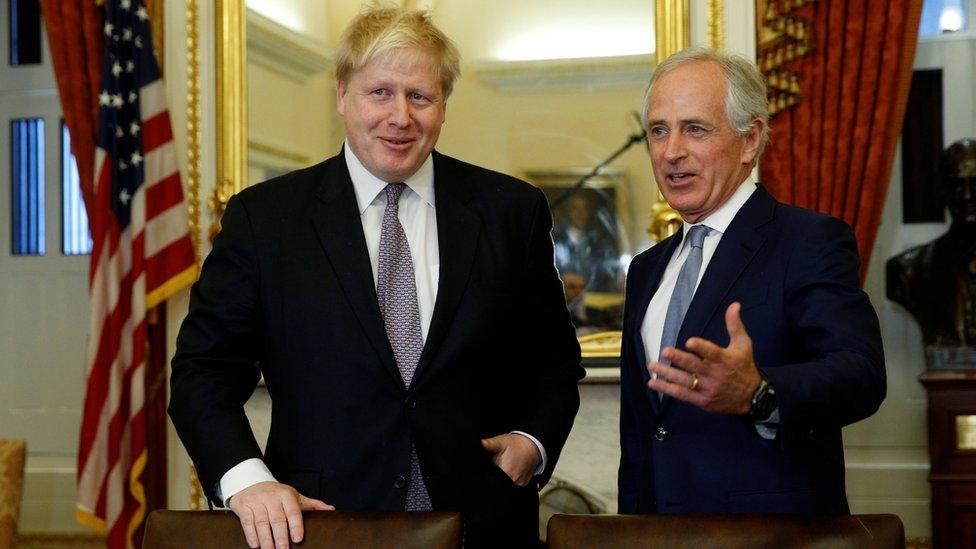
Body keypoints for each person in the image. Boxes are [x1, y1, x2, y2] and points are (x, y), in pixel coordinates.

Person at [169, 7, 583, 549]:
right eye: (379, 93)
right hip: (317, 523)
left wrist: (532, 442)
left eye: (420, 96)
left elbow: (553, 362)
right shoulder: (266, 219)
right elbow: (202, 375)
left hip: (482, 520)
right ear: (343, 96)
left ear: (442, 107)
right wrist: (247, 480)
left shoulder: (511, 211)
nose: (400, 117)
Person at [618, 47, 885, 515]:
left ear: (749, 140)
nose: (671, 151)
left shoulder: (807, 240)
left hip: (769, 533)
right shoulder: (647, 268)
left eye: (695, 129)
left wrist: (759, 392)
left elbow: (861, 375)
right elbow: (644, 431)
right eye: (658, 131)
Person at [887, 138, 976, 363]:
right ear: (943, 190)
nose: (966, 196)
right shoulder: (908, 269)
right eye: (956, 184)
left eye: (974, 184)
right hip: (945, 384)